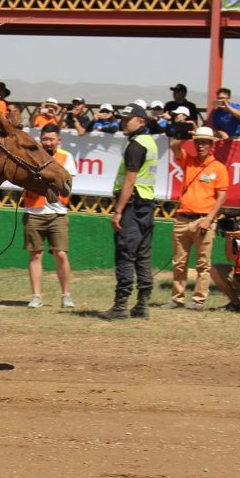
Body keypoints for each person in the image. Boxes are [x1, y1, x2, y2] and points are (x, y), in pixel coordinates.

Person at [101, 104, 159, 320]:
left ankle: (120, 306)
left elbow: (130, 179)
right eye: (123, 119)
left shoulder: (135, 145)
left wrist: (118, 211)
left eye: (128, 119)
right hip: (147, 204)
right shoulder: (150, 142)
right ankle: (142, 304)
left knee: (126, 254)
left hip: (132, 206)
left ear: (141, 122)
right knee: (143, 255)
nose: (123, 123)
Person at [169, 126, 229, 309]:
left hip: (204, 220)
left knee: (203, 263)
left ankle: (198, 299)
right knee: (179, 262)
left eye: (205, 142)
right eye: (198, 142)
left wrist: (209, 219)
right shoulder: (189, 161)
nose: (201, 146)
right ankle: (177, 298)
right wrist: (188, 134)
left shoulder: (219, 168)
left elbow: (222, 196)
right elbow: (174, 146)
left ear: (211, 145)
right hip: (182, 218)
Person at [24, 125, 77, 309]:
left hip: (58, 212)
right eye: (45, 139)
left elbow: (67, 181)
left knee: (61, 253)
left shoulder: (66, 157)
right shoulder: (31, 155)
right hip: (34, 211)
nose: (48, 142)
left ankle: (66, 295)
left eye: (51, 139)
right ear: (40, 138)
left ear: (59, 140)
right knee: (35, 254)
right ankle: (36, 296)